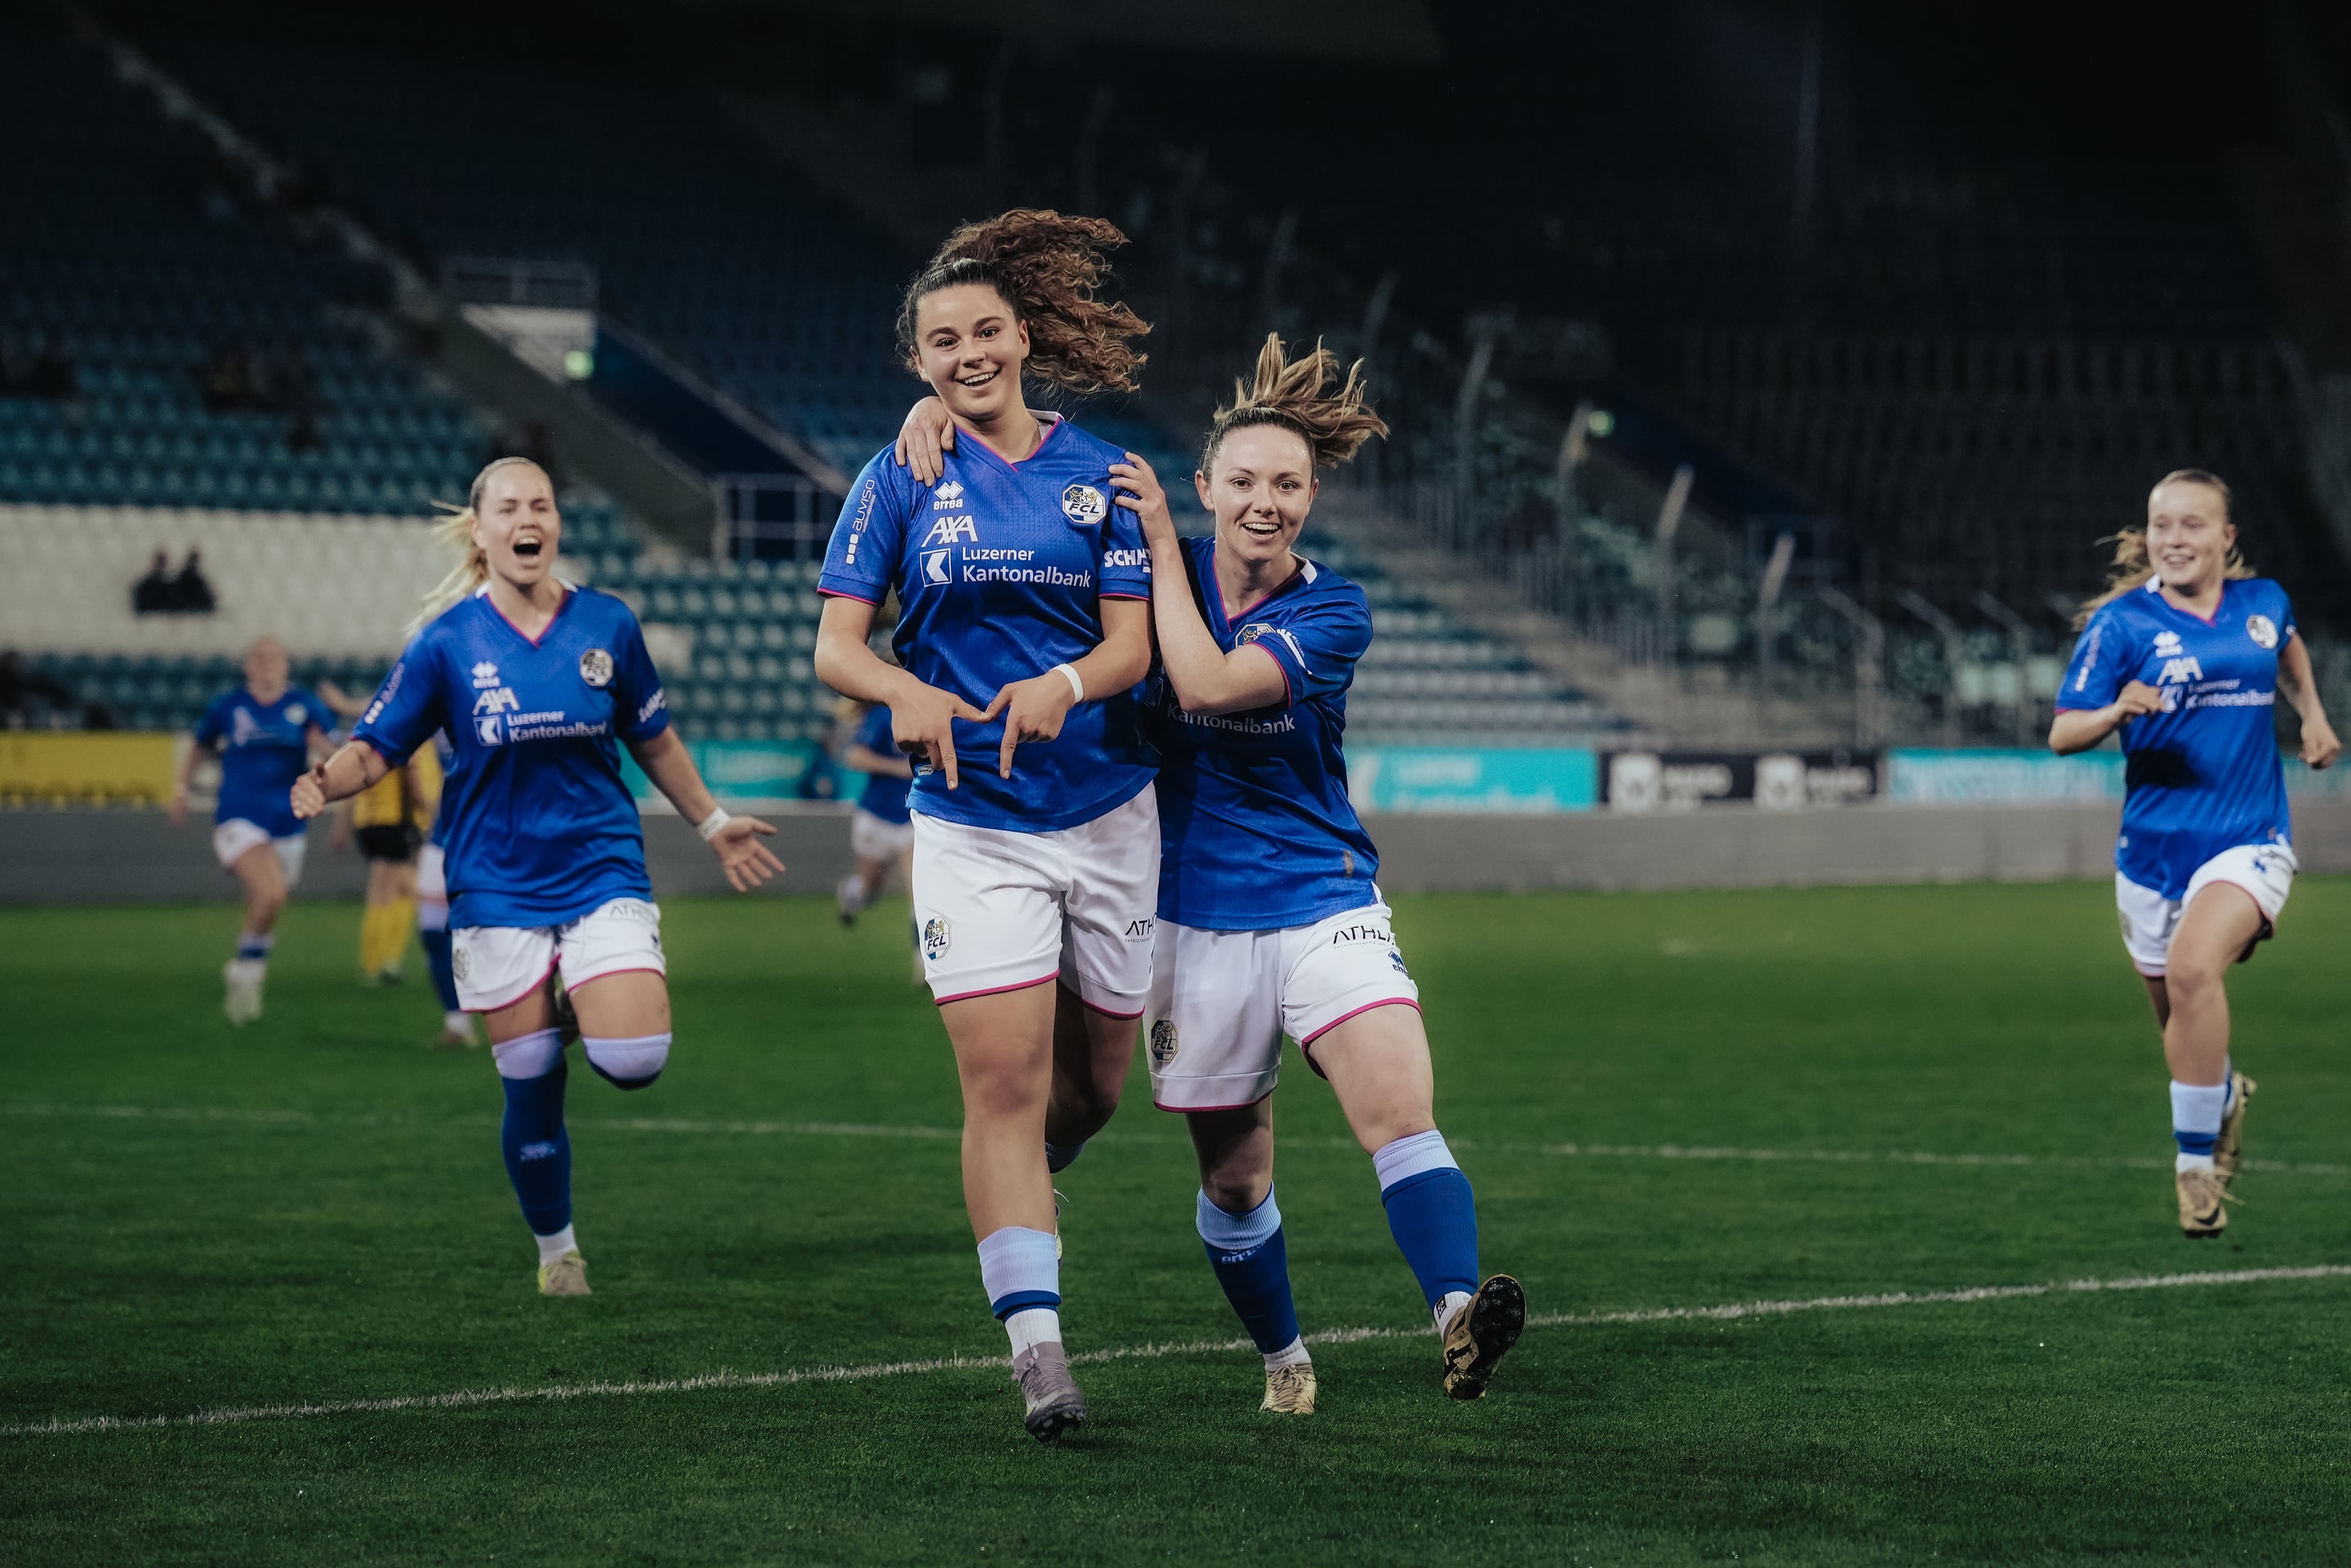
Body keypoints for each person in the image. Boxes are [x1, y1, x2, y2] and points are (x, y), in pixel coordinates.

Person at [898, 334, 1526, 1414]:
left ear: (1311, 496)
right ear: (1206, 486)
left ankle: (1455, 1315)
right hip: (1185, 918)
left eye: (1285, 485)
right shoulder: (1149, 568)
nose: (1263, 503)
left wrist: (1152, 544)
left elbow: (1204, 683)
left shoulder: (1332, 611)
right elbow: (1021, 490)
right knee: (1235, 1179)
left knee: (1396, 1105)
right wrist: (936, 418)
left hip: (1320, 896)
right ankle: (1283, 1358)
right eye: (1242, 482)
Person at [814, 209, 1157, 1441]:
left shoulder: (1101, 474)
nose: (967, 354)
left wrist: (1060, 685)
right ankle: (1038, 1352)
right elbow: (837, 645)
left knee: (1094, 1094)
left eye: (985, 331)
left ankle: (1029, 1182)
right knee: (1002, 1087)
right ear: (917, 361)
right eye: (942, 342)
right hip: (968, 826)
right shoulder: (896, 475)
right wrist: (902, 693)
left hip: (1107, 813)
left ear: (1023, 338)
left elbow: (1130, 647)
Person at [291, 457, 784, 1295]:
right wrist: (325, 779)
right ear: (481, 532)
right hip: (493, 882)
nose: (528, 519)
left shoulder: (607, 624)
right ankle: (558, 1252)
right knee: (531, 1088)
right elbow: (375, 746)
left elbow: (653, 738)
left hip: (599, 866)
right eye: (510, 507)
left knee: (635, 1057)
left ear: (556, 524)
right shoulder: (446, 643)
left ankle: (568, 996)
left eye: (542, 505)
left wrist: (712, 822)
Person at [2051, 469, 2340, 1238]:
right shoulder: (2120, 627)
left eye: (2191, 525)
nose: (2173, 539)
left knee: (2190, 972)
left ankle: (2193, 1169)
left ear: (2224, 537)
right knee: (2179, 1024)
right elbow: (2062, 733)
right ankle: (2221, 1094)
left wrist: (2311, 715)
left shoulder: (2261, 604)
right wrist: (2115, 710)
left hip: (2248, 838)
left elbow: (2286, 648)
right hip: (2150, 854)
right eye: (2161, 525)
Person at [171, 636, 328, 1025]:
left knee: (268, 900)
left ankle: (249, 965)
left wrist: (321, 747)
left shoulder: (305, 705)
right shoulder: (230, 706)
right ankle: (247, 970)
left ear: (285, 665)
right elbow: (199, 744)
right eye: (258, 658)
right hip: (239, 814)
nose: (266, 664)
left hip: (289, 819)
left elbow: (335, 751)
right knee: (270, 892)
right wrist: (181, 789)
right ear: (247, 666)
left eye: (273, 658)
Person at [320, 678, 439, 987]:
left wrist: (341, 827)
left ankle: (388, 960)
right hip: (394, 822)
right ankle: (375, 965)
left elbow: (354, 784)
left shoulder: (374, 733)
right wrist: (430, 810)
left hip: (372, 822)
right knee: (386, 891)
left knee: (405, 889)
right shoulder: (410, 733)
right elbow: (414, 781)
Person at [835, 700, 916, 942]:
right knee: (870, 888)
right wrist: (898, 767)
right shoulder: (883, 716)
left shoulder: (933, 709)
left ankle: (922, 957)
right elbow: (855, 757)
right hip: (877, 814)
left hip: (912, 817)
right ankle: (852, 893)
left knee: (918, 889)